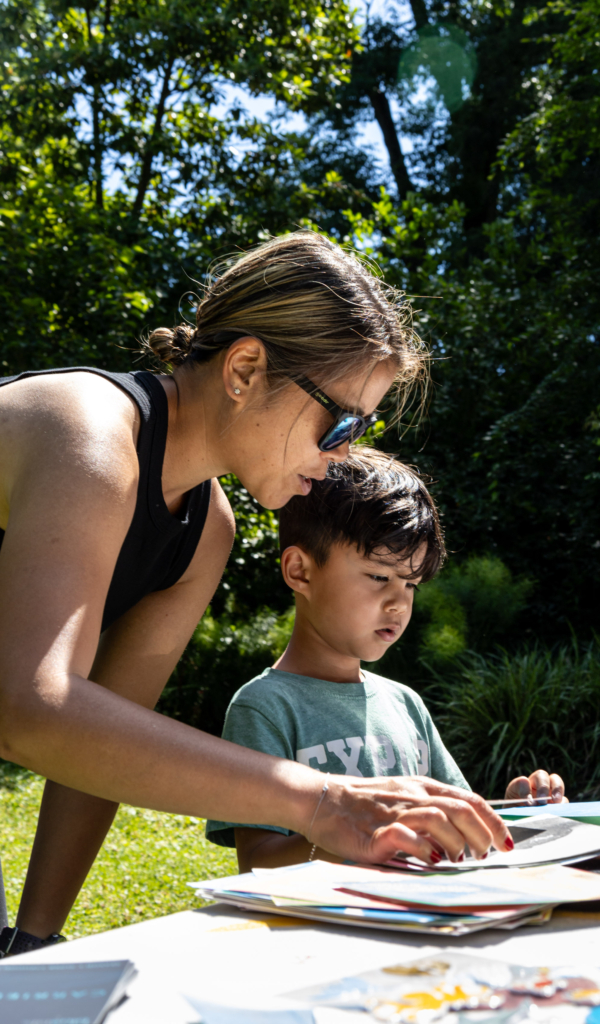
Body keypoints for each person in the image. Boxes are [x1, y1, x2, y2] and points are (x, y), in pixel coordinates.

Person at [0, 231, 516, 957]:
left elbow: (95, 741)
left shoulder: (206, 528)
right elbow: (31, 707)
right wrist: (322, 800)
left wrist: (35, 939)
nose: (343, 455)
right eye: (339, 422)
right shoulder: (87, 429)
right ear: (244, 369)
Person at [206, 448, 565, 871]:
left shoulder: (406, 705)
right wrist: (360, 842)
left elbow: (449, 824)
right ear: (300, 571)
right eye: (379, 577)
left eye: (411, 584)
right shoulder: (265, 709)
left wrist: (514, 812)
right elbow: (257, 862)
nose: (399, 603)